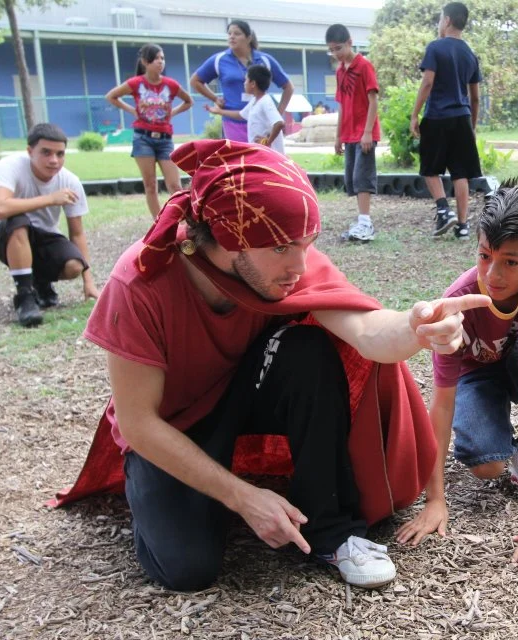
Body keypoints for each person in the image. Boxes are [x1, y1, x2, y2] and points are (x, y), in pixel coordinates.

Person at [51, 139, 490, 591]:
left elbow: (365, 331)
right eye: (281, 248)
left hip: (243, 391)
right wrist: (240, 496)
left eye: (307, 244)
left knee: (307, 351)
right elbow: (139, 422)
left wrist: (416, 328)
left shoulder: (280, 254)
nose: (299, 265)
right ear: (225, 237)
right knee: (187, 569)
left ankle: (330, 531)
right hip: (172, 424)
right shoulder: (140, 282)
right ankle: (162, 494)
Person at [396, 174, 518, 573]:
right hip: (477, 375)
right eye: (485, 256)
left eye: (510, 262)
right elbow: (442, 400)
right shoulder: (458, 301)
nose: (492, 275)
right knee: (487, 467)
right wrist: (435, 499)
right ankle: (509, 456)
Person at [0, 123, 100, 327]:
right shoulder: (10, 165)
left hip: (43, 237)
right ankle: (25, 297)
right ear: (30, 151)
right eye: (46, 152)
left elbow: (77, 234)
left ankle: (40, 281)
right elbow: (0, 208)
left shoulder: (70, 181)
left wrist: (88, 282)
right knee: (19, 221)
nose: (54, 160)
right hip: (6, 235)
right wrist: (50, 199)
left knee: (74, 266)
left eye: (60, 154)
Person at [410, 2, 482, 240]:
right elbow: (475, 98)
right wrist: (471, 125)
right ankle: (462, 227)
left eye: (440, 19)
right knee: (460, 173)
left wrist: (415, 113)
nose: (439, 23)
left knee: (430, 168)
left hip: (438, 116)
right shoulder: (470, 54)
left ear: (447, 20)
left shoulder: (435, 48)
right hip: (462, 117)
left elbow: (428, 82)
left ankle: (443, 209)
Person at [106, 43, 193, 219]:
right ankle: (158, 222)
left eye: (162, 58)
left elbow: (188, 101)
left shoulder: (171, 84)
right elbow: (111, 96)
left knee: (175, 184)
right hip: (143, 138)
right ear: (145, 62)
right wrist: (132, 110)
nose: (160, 62)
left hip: (165, 138)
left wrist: (172, 113)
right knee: (150, 185)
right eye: (156, 59)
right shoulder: (136, 83)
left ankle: (185, 220)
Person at [191, 20, 294, 142]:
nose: (232, 37)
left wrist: (277, 113)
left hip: (261, 124)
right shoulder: (220, 60)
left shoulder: (264, 60)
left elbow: (288, 87)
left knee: (260, 158)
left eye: (237, 33)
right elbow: (195, 81)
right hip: (232, 123)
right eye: (229, 34)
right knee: (238, 158)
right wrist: (215, 98)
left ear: (248, 38)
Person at [326, 23, 381, 243]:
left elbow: (373, 100)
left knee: (362, 177)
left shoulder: (364, 65)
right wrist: (338, 136)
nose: (336, 54)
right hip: (348, 133)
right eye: (332, 50)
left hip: (363, 133)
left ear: (349, 43)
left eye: (339, 48)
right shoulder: (340, 71)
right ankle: (361, 220)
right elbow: (341, 105)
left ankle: (366, 223)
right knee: (352, 178)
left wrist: (367, 132)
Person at [207, 64, 285, 155]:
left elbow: (279, 123)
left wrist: (267, 142)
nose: (244, 83)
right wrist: (219, 111)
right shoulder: (254, 101)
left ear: (253, 84)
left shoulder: (265, 102)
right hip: (260, 153)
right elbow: (240, 115)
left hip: (271, 155)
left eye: (246, 80)